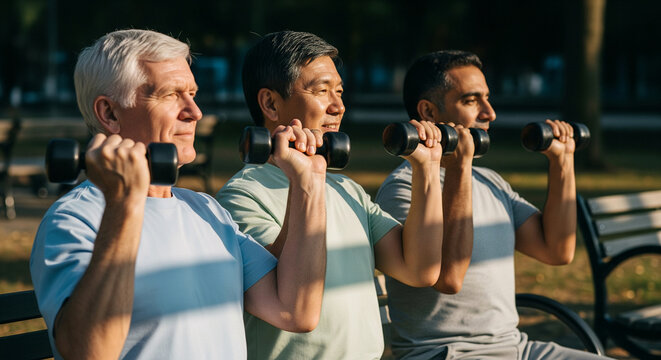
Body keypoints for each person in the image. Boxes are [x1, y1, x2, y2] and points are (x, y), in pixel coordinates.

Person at [29, 29, 328, 359]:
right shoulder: (73, 219)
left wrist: (308, 185)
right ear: (110, 114)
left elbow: (295, 310)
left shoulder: (205, 211)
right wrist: (124, 203)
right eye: (170, 95)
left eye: (193, 94)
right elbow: (88, 352)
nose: (194, 112)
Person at [216, 30, 445, 360]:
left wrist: (426, 168)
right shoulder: (242, 196)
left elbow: (420, 269)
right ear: (270, 103)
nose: (338, 106)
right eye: (321, 91)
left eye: (339, 91)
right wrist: (305, 182)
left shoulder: (345, 189)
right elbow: (288, 298)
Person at [375, 50, 610, 359]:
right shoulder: (403, 188)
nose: (489, 113)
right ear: (429, 112)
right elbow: (448, 279)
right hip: (445, 353)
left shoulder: (490, 181)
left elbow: (557, 250)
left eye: (487, 98)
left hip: (517, 347)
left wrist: (562, 161)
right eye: (472, 101)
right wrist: (459, 169)